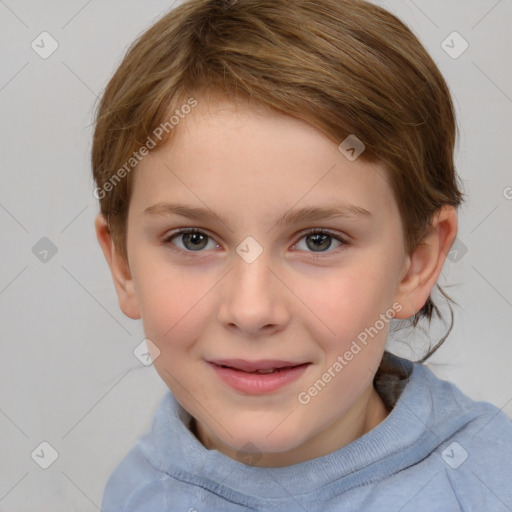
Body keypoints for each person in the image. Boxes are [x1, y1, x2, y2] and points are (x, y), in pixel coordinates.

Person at [91, 0, 512, 509]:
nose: (251, 310)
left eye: (319, 240)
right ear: (123, 266)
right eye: (194, 239)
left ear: (414, 263)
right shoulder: (134, 490)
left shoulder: (490, 482)